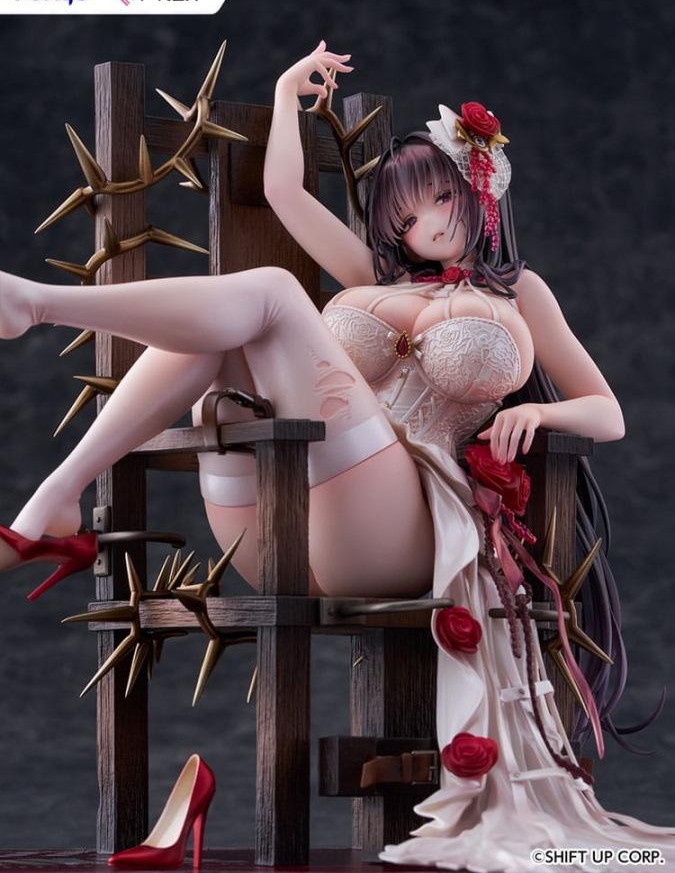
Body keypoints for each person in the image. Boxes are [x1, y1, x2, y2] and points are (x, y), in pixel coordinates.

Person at [0, 42, 672, 870]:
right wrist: (286, 95)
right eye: (406, 216)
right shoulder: (371, 273)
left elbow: (608, 413)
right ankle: (57, 496)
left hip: (398, 527)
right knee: (223, 329)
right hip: (276, 521)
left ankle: (37, 310)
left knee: (271, 293)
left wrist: (538, 408)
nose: (426, 224)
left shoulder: (517, 292)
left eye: (440, 198)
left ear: (483, 188)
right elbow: (284, 193)